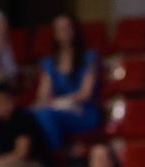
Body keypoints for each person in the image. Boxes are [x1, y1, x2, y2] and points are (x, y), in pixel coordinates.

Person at [29, 14, 100, 151]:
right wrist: (47, 103)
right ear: (55, 34)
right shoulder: (49, 63)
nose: (64, 32)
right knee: (31, 115)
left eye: (67, 27)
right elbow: (43, 95)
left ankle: (54, 155)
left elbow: (85, 93)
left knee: (45, 115)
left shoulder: (89, 58)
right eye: (60, 29)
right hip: (58, 109)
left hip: (83, 111)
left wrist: (59, 102)